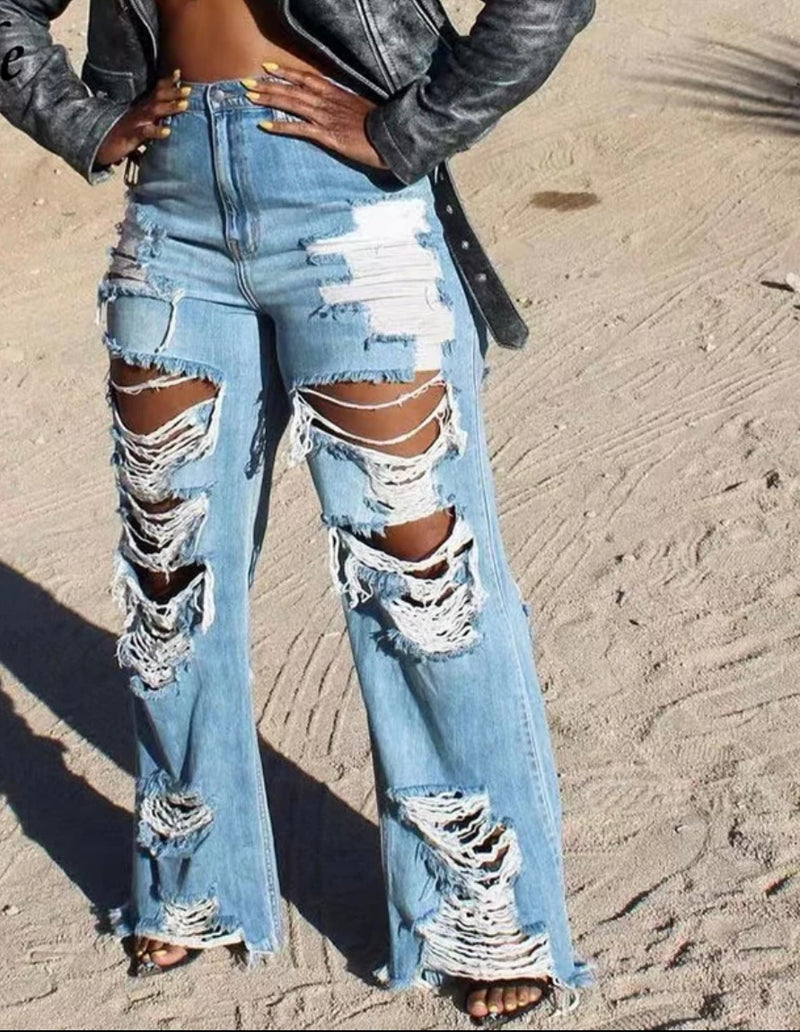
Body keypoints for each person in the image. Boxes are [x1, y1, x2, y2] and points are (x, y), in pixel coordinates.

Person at [0, 0, 596, 1025]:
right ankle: (192, 878)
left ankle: (485, 914)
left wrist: (411, 126)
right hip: (172, 217)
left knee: (420, 578)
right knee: (169, 576)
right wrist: (80, 118)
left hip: (350, 210)